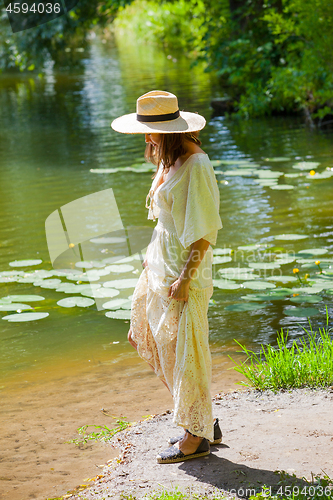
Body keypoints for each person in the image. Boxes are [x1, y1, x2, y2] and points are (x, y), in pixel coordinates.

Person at [111, 90, 223, 464]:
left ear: (171, 130)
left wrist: (186, 279)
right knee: (144, 336)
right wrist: (148, 260)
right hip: (158, 266)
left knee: (186, 351)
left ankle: (196, 438)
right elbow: (166, 222)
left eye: (151, 131)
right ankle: (200, 418)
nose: (146, 138)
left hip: (183, 273)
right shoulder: (170, 159)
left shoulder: (197, 165)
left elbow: (203, 232)